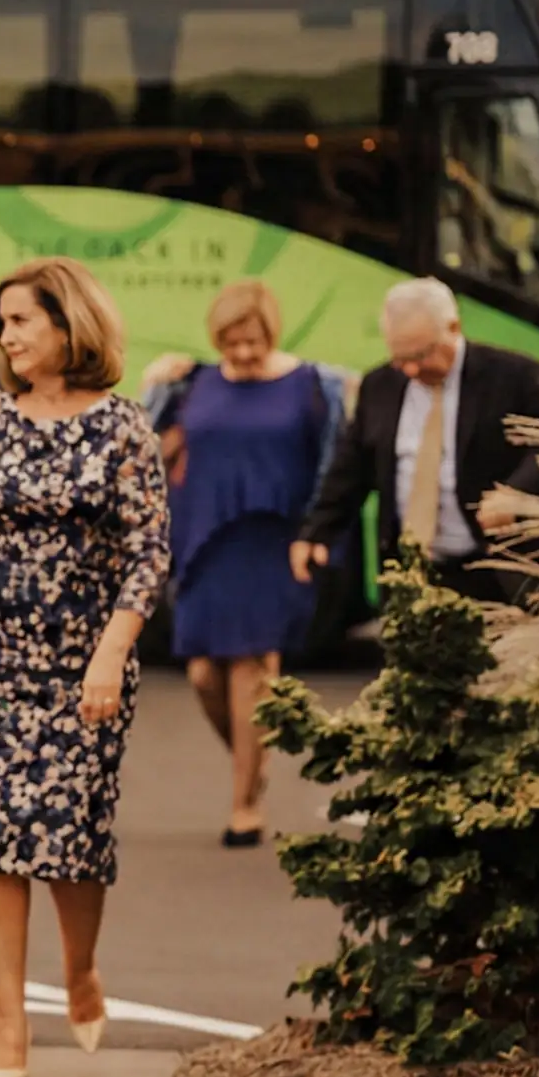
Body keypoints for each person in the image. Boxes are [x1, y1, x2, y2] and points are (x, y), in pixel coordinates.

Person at [0, 257, 170, 1077]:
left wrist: (113, 652)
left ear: (68, 324)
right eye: (3, 322)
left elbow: (149, 551)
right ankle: (9, 1019)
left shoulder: (123, 427)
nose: (6, 338)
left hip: (85, 652)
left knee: (70, 842)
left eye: (22, 321)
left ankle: (79, 969)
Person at [142, 280, 351, 846]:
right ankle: (252, 760)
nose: (242, 353)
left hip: (273, 539)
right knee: (203, 673)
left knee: (252, 668)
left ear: (271, 333)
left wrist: (317, 532)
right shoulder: (194, 381)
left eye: (252, 341)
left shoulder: (313, 384)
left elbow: (337, 461)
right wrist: (153, 382)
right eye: (231, 343)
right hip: (205, 540)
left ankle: (242, 808)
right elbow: (145, 442)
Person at [294, 277, 539, 607]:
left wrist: (515, 495)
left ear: (453, 327)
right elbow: (351, 468)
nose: (411, 369)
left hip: (494, 570)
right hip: (412, 573)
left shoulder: (511, 376)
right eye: (400, 358)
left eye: (422, 354)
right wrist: (317, 532)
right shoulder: (380, 385)